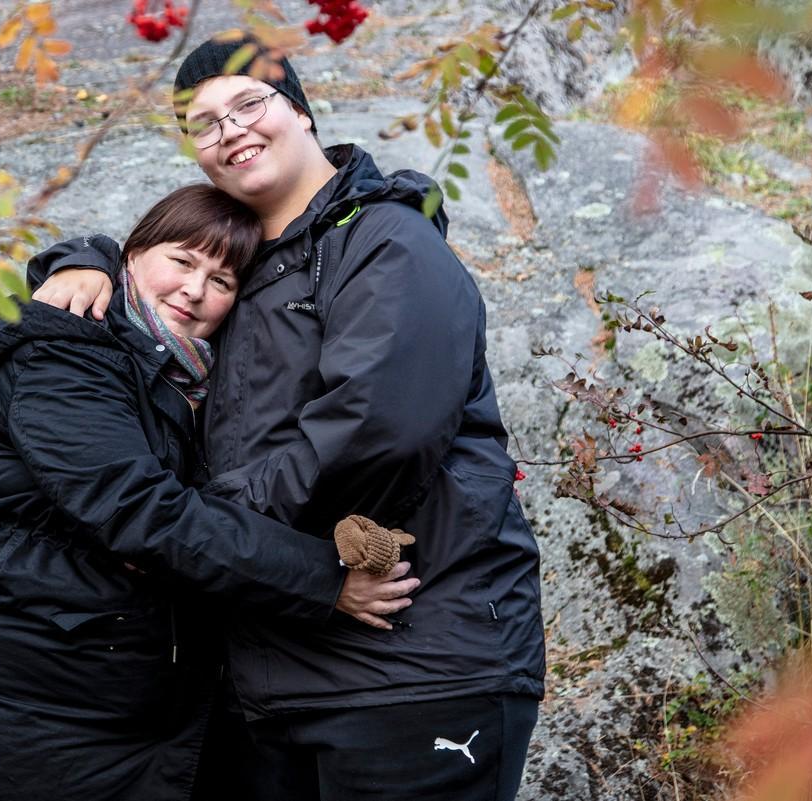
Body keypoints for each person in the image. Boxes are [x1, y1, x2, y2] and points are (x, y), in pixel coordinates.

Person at [28, 37, 547, 801]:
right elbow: (153, 278)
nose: (228, 129)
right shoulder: (241, 274)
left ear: (300, 111)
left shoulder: (383, 241)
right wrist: (83, 259)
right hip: (270, 683)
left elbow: (376, 432)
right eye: (202, 123)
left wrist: (196, 531)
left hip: (412, 668)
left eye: (248, 103)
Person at [0, 184, 420, 801]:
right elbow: (139, 509)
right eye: (182, 260)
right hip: (24, 689)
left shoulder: (197, 385)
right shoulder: (65, 353)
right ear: (134, 254)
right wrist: (320, 580)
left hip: (123, 700)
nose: (196, 290)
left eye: (223, 280)